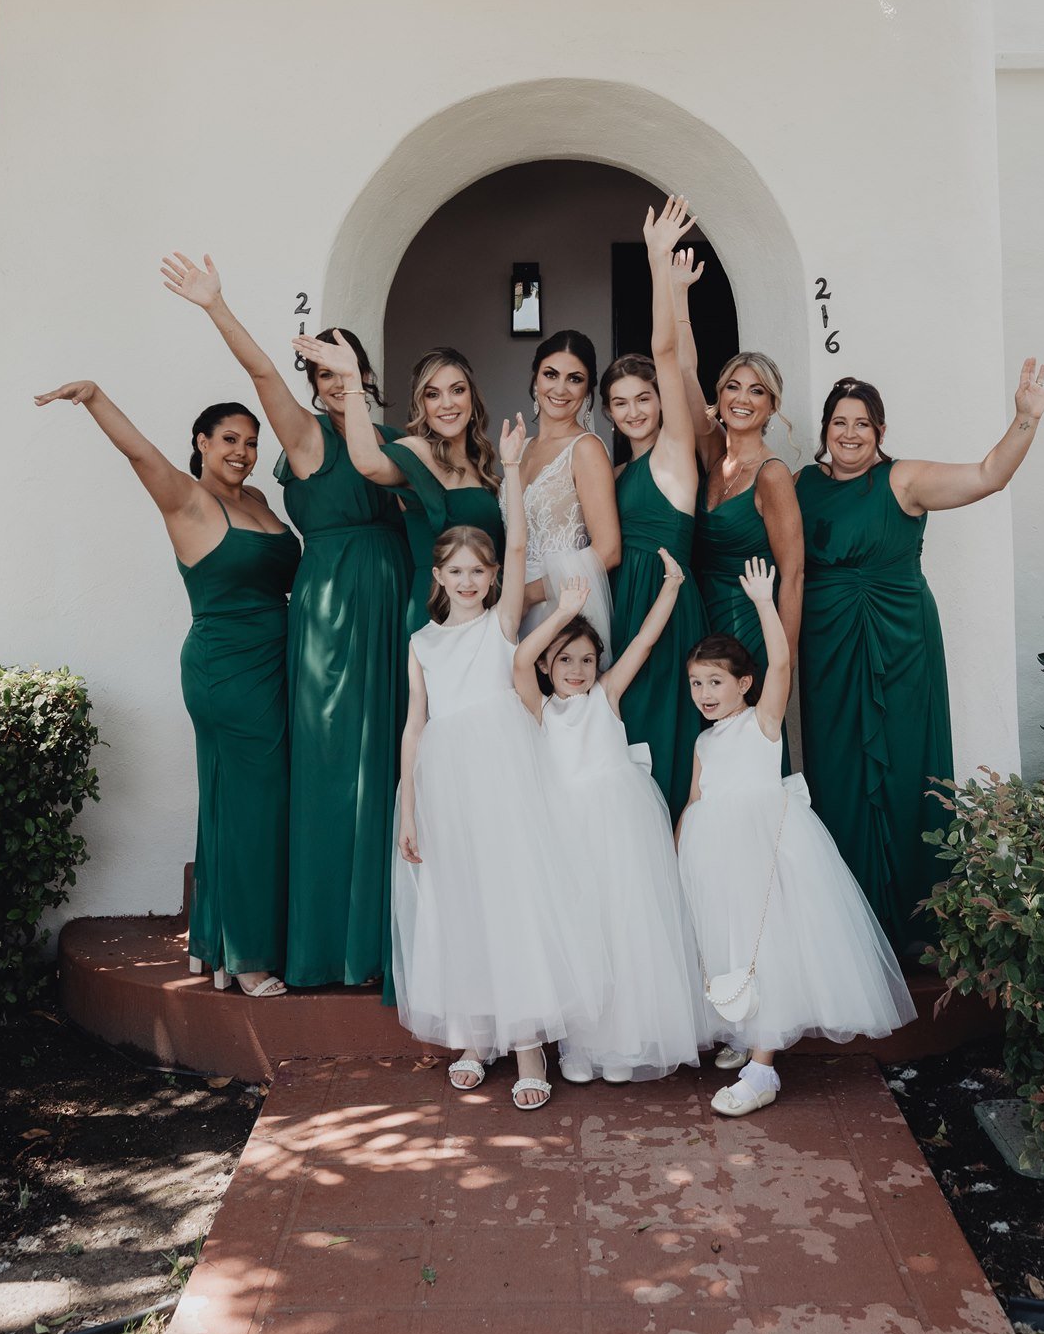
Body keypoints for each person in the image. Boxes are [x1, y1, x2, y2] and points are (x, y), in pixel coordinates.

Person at [160, 254, 410, 990]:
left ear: (364, 374)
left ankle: (386, 933)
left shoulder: (389, 439)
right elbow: (265, 374)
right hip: (332, 616)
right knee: (333, 775)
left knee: (391, 768)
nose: (337, 384)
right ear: (315, 383)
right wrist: (216, 304)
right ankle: (329, 944)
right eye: (326, 374)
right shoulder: (306, 439)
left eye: (349, 370)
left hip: (393, 605)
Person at [35, 382, 296, 996]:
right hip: (226, 668)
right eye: (229, 439)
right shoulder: (186, 498)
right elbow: (141, 454)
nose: (242, 452)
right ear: (201, 443)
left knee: (242, 804)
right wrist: (95, 396)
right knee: (253, 806)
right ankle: (248, 955)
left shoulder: (257, 497)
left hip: (274, 662)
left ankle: (215, 942)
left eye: (252, 442)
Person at [796, 362, 1044, 956]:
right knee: (835, 772)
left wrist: (1027, 416)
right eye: (840, 422)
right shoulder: (799, 485)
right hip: (827, 644)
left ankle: (917, 923)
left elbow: (988, 476)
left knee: (907, 770)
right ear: (825, 429)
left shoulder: (904, 479)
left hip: (899, 642)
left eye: (863, 423)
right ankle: (848, 922)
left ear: (880, 430)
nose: (851, 433)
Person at [390, 416, 592, 1111]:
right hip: (444, 778)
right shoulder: (420, 641)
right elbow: (414, 729)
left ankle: (529, 1042)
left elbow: (519, 542)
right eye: (459, 572)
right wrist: (409, 810)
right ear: (440, 577)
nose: (472, 580)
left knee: (511, 895)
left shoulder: (502, 623)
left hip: (501, 769)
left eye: (480, 571)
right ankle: (474, 1035)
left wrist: (509, 471)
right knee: (460, 899)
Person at [677, 560, 915, 1118]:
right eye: (696, 683)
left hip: (765, 852)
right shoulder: (704, 744)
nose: (705, 693)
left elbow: (781, 659)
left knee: (770, 945)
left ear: (744, 683)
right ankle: (742, 1027)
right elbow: (694, 801)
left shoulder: (762, 723)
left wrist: (764, 601)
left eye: (716, 681)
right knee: (729, 941)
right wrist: (679, 850)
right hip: (713, 858)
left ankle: (764, 1068)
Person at [512, 557, 704, 1085]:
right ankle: (579, 1047)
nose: (577, 669)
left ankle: (624, 1045)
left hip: (621, 832)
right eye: (566, 659)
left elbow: (643, 640)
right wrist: (565, 612)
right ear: (549, 666)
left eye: (588, 659)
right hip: (568, 836)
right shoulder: (539, 710)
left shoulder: (606, 697)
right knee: (580, 937)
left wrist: (671, 584)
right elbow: (520, 658)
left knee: (626, 932)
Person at [603, 196, 710, 819]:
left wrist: (657, 265)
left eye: (643, 397)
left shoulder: (673, 452)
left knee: (667, 733)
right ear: (609, 413)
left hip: (669, 607)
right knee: (626, 737)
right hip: (624, 604)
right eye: (620, 403)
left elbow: (671, 356)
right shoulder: (615, 470)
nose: (635, 410)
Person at [295, 335, 504, 637]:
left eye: (457, 390)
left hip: (487, 613)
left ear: (472, 397)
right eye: (433, 395)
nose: (447, 404)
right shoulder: (418, 451)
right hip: (437, 615)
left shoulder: (481, 463)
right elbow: (367, 462)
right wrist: (353, 380)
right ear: (422, 404)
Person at [677, 257, 804, 753]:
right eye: (732, 386)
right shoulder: (714, 457)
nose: (742, 398)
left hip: (751, 617)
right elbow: (685, 370)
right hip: (706, 611)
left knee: (749, 736)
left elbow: (792, 575)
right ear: (720, 395)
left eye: (757, 391)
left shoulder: (772, 476)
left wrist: (783, 663)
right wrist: (679, 294)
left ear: (772, 406)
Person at [508, 328, 621, 660]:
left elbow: (609, 550)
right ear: (535, 379)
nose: (560, 388)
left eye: (574, 379)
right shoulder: (522, 447)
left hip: (561, 607)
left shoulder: (586, 449)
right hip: (514, 608)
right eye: (550, 374)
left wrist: (529, 594)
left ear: (588, 390)